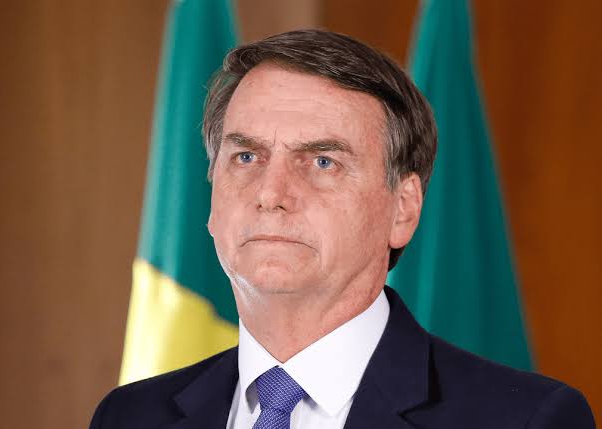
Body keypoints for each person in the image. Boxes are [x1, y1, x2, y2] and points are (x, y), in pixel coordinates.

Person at [89, 30, 595, 429]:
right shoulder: (130, 416)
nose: (271, 193)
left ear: (403, 209)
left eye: (322, 162)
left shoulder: (524, 420)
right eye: (246, 156)